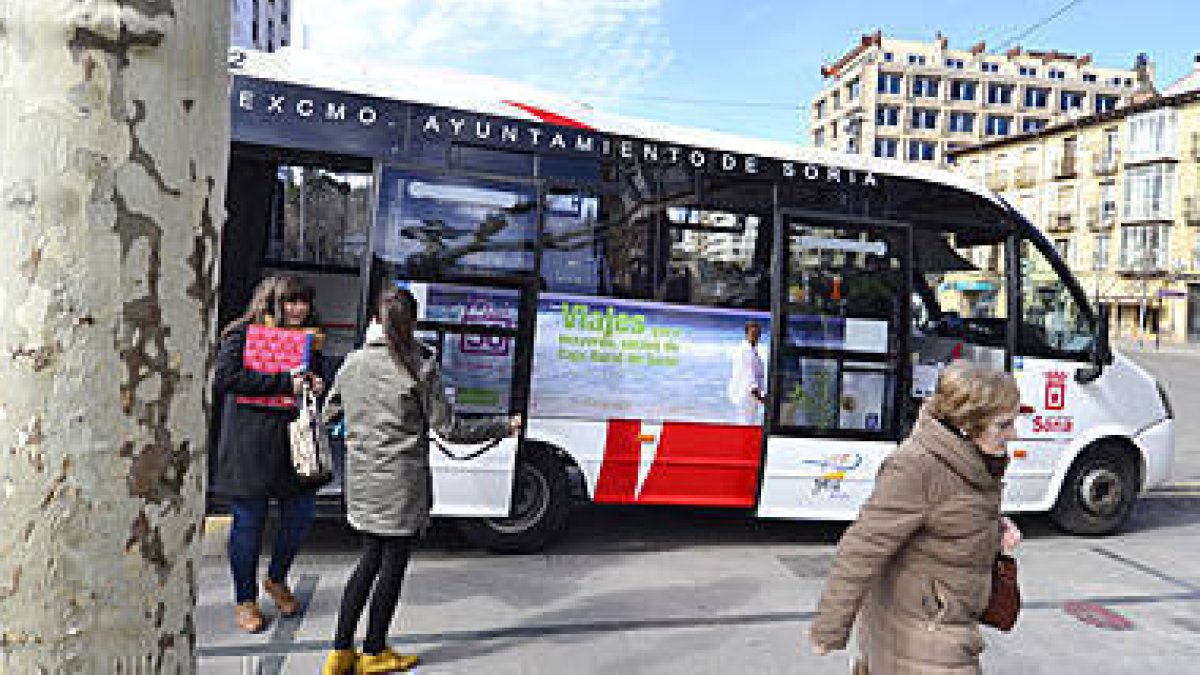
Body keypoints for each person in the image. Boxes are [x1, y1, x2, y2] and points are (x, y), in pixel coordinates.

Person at [321, 286, 521, 675]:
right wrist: (503, 425)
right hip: (402, 485)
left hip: (362, 481)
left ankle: (339, 653)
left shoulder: (352, 363)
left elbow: (331, 416)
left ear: (376, 321)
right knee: (391, 567)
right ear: (411, 323)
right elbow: (450, 429)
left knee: (366, 562)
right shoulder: (420, 367)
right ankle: (374, 651)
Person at [809, 361, 1023, 674]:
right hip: (921, 637)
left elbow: (951, 512)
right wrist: (829, 628)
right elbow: (861, 548)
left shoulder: (976, 459)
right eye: (1003, 425)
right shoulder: (915, 467)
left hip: (949, 625)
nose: (1013, 434)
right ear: (967, 425)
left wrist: (994, 528)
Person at [211, 275, 327, 633]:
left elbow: (315, 380)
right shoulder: (241, 333)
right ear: (271, 301)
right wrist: (282, 383)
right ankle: (244, 599)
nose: (298, 309)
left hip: (294, 444)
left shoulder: (311, 337)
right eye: (291, 301)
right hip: (249, 445)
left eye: (303, 302)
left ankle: (276, 579)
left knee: (300, 516)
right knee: (248, 525)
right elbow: (225, 378)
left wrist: (315, 384)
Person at [727, 320, 766, 424]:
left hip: (749, 396)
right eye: (753, 334)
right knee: (746, 423)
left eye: (758, 334)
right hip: (746, 395)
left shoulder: (753, 351)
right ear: (746, 334)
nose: (756, 337)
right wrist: (760, 397)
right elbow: (749, 376)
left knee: (748, 422)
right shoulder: (745, 351)